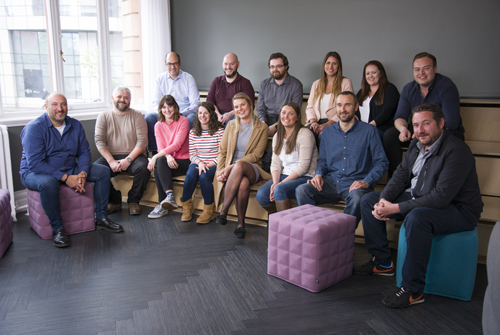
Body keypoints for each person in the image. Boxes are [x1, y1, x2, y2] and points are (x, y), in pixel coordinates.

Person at [355, 103, 482, 309]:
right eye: (415, 125)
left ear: (441, 123)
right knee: (369, 200)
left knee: (417, 218)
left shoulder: (457, 151)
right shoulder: (417, 144)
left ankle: (413, 290)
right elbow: (401, 175)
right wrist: (385, 200)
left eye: (426, 123)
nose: (420, 130)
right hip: (420, 196)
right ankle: (382, 262)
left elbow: (440, 197)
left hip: (459, 209)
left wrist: (396, 209)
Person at [20, 92, 123, 248]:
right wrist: (67, 178)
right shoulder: (34, 128)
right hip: (35, 172)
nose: (60, 108)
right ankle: (58, 229)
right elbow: (35, 163)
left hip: (68, 166)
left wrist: (82, 173)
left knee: (102, 171)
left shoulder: (75, 125)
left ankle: (101, 218)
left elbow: (83, 152)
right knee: (48, 183)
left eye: (63, 104)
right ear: (46, 107)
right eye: (55, 104)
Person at [295, 91, 388, 227]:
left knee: (358, 198)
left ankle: (342, 238)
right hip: (331, 182)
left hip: (356, 184)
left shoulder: (369, 131)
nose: (342, 109)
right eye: (339, 105)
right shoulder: (327, 132)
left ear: (356, 107)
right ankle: (315, 232)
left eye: (347, 105)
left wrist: (366, 182)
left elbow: (381, 163)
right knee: (302, 190)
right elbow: (322, 161)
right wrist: (318, 174)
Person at [383, 52, 464, 177]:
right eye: (417, 69)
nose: (421, 73)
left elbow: (451, 123)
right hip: (418, 130)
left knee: (452, 137)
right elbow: (399, 117)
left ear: (435, 69)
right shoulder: (408, 89)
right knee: (390, 135)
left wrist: (422, 133)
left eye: (426, 68)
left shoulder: (447, 87)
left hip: (445, 131)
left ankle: (430, 180)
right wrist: (403, 129)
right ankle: (397, 178)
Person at [214, 93, 271, 238]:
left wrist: (231, 167)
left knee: (239, 167)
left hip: (252, 167)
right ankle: (241, 225)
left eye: (243, 105)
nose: (240, 109)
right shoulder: (231, 124)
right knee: (243, 183)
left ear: (250, 105)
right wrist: (220, 171)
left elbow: (256, 155)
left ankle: (223, 212)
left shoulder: (262, 128)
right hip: (233, 172)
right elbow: (222, 151)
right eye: (236, 107)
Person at [94, 86, 150, 216]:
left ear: (130, 100)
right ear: (113, 98)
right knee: (96, 170)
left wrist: (128, 159)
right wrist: (111, 161)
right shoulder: (103, 116)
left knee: (144, 167)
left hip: (133, 156)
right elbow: (99, 141)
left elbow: (142, 141)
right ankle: (114, 201)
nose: (122, 100)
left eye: (126, 98)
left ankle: (133, 200)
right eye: (119, 97)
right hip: (111, 156)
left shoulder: (137, 116)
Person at [256, 102, 318, 214]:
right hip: (285, 174)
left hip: (304, 176)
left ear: (297, 117)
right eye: (283, 113)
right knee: (261, 195)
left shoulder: (305, 134)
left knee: (280, 189)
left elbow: (303, 167)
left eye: (291, 113)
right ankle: (281, 219)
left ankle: (285, 227)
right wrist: (275, 182)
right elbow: (275, 163)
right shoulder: (277, 135)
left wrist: (280, 184)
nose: (286, 116)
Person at [146, 52, 200, 152]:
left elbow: (195, 103)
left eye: (175, 63)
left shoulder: (188, 78)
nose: (172, 67)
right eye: (169, 64)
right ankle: (154, 152)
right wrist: (165, 114)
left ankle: (188, 151)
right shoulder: (159, 79)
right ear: (165, 65)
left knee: (192, 118)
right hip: (165, 112)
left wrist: (180, 114)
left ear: (180, 63)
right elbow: (155, 103)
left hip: (184, 113)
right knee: (149, 118)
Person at [147, 95, 191, 219]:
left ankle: (163, 204)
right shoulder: (158, 125)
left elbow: (177, 144)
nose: (167, 110)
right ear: (160, 109)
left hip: (184, 160)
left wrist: (155, 157)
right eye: (164, 107)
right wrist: (167, 156)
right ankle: (168, 198)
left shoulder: (183, 121)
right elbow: (161, 148)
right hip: (168, 160)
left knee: (158, 165)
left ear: (175, 107)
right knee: (160, 164)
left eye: (170, 106)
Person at [180, 102, 224, 224]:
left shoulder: (220, 132)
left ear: (211, 114)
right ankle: (187, 207)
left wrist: (210, 164)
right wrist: (199, 163)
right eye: (200, 113)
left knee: (204, 177)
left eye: (206, 113)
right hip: (199, 162)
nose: (202, 115)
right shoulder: (193, 132)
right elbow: (192, 154)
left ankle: (208, 211)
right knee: (190, 174)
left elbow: (222, 153)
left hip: (213, 163)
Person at [305, 51, 353, 144]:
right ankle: (311, 159)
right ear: (324, 65)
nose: (330, 67)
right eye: (328, 63)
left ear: (338, 67)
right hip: (316, 121)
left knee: (324, 134)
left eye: (334, 63)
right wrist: (313, 122)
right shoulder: (316, 84)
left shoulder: (345, 82)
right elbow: (310, 106)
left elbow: (347, 108)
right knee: (306, 134)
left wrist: (328, 123)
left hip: (336, 122)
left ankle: (322, 159)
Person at [257, 52, 303, 138]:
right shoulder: (264, 84)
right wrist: (263, 124)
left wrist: (275, 126)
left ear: (286, 67)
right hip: (266, 120)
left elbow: (295, 111)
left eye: (279, 66)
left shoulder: (296, 85)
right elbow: (260, 109)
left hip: (287, 121)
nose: (275, 69)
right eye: (272, 67)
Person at [207, 53, 255, 126]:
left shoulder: (245, 83)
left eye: (232, 64)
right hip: (217, 115)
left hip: (235, 115)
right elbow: (210, 102)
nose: (228, 67)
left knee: (230, 123)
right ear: (222, 64)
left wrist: (230, 114)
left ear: (238, 64)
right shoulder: (216, 81)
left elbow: (250, 105)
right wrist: (218, 116)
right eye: (226, 64)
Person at [356, 60, 400, 136]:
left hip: (380, 130)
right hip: (362, 129)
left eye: (374, 72)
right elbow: (354, 110)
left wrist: (369, 126)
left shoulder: (390, 89)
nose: (370, 76)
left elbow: (386, 112)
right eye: (367, 73)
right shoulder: (361, 92)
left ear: (381, 73)